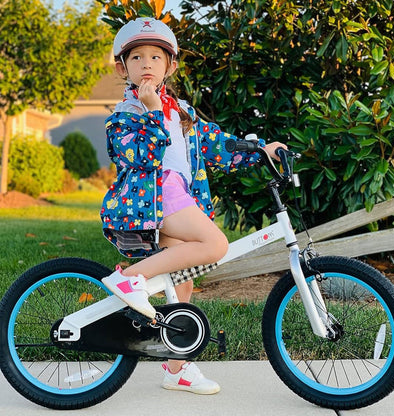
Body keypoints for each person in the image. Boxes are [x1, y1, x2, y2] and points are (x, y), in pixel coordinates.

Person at [100, 17, 286, 395]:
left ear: (170, 65)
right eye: (137, 57)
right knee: (215, 244)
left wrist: (259, 151)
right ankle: (128, 279)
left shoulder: (182, 111)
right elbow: (143, 157)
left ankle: (176, 369)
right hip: (154, 196)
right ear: (123, 68)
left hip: (181, 197)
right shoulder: (125, 115)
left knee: (180, 287)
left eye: (156, 56)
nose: (147, 64)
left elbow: (216, 145)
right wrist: (152, 111)